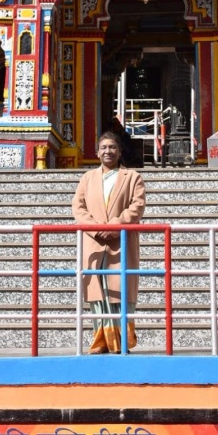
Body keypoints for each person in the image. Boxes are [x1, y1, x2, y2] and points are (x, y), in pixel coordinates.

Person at [72, 131, 147, 354]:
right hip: (94, 241)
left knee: (120, 289)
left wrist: (114, 226)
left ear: (120, 151)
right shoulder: (87, 178)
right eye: (103, 147)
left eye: (112, 147)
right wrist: (96, 228)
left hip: (121, 240)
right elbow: (78, 206)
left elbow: (137, 206)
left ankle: (121, 341)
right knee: (97, 292)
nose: (108, 151)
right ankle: (101, 340)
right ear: (97, 152)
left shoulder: (132, 177)